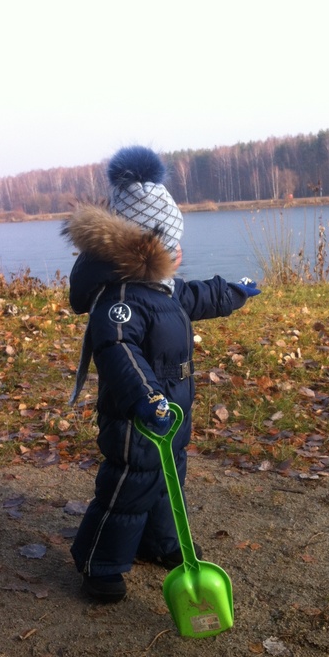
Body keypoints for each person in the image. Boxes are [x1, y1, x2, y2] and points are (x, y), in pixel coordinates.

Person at [62, 146, 260, 602]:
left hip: (171, 413)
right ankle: (99, 562)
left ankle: (162, 542)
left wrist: (233, 293)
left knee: (169, 479)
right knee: (129, 486)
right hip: (137, 416)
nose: (179, 252)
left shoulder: (163, 290)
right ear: (144, 249)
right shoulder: (121, 299)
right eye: (172, 245)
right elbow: (118, 350)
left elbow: (197, 297)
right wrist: (148, 397)